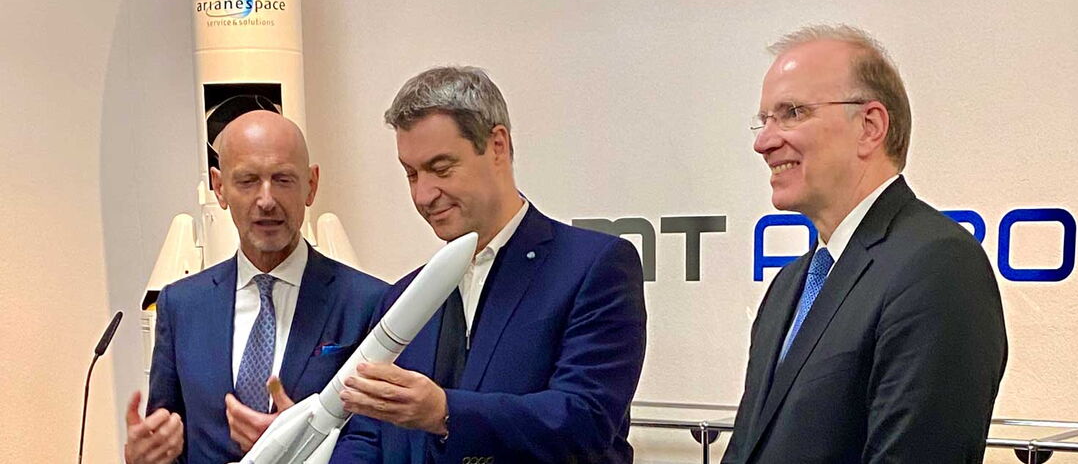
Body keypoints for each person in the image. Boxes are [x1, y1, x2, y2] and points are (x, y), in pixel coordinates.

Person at [330, 66, 647, 463]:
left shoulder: (594, 268)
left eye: (441, 169)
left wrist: (444, 411)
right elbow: (368, 434)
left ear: (497, 145)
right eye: (411, 174)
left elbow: (586, 418)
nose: (424, 194)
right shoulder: (400, 299)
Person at [722, 25, 1008, 463]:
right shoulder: (790, 283)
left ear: (870, 127)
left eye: (792, 112)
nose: (764, 142)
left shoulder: (939, 267)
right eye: (764, 121)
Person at [125, 111, 388, 464]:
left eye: (283, 179)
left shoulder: (369, 303)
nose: (266, 200)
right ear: (219, 187)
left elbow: (385, 443)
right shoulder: (181, 305)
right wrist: (144, 458)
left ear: (311, 185)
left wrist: (300, 445)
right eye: (247, 181)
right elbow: (167, 441)